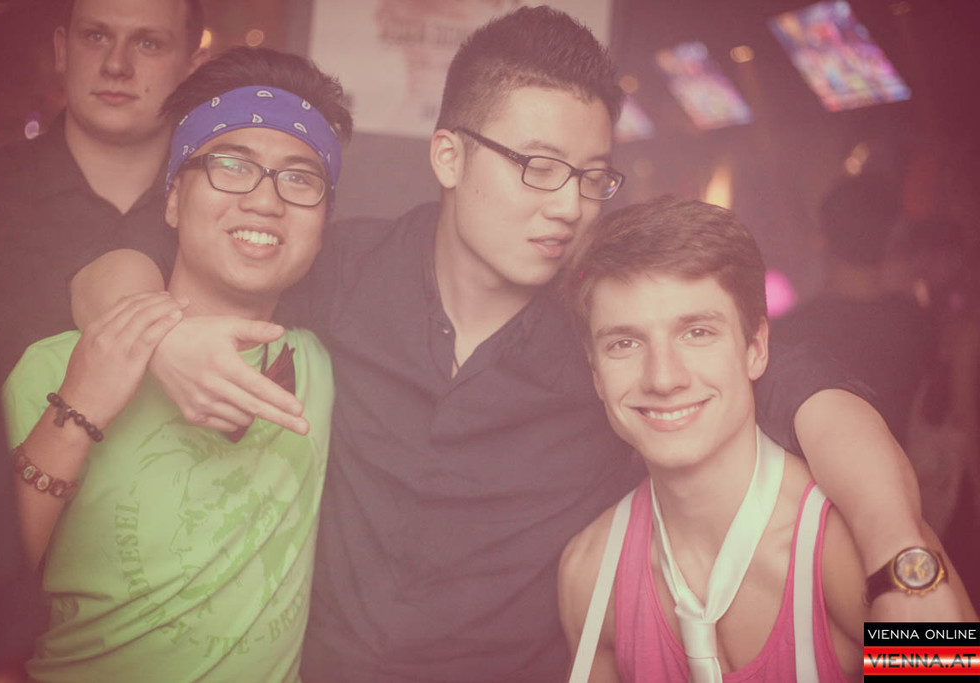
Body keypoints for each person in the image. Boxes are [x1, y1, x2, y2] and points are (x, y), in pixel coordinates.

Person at [71, 7, 965, 681]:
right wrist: (163, 335)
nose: (567, 204)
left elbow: (810, 388)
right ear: (449, 155)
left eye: (590, 176)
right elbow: (115, 260)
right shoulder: (344, 269)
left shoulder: (611, 337)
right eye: (537, 167)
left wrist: (905, 562)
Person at [1, 46, 352, 681]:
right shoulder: (57, 366)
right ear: (172, 200)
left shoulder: (326, 367)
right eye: (231, 166)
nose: (265, 201)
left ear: (325, 219)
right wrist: (79, 408)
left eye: (300, 178)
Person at [557, 197, 975, 683]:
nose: (663, 378)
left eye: (697, 332)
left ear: (756, 349)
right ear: (596, 373)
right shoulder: (590, 574)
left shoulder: (856, 555)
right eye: (625, 343)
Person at [0, 0, 208, 378]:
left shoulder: (226, 209)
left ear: (193, 68)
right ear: (62, 50)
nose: (116, 65)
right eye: (96, 36)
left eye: (148, 43)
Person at [774, 174, 937, 446]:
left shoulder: (788, 335)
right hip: (901, 469)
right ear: (889, 241)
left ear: (821, 239)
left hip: (817, 473)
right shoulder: (919, 323)